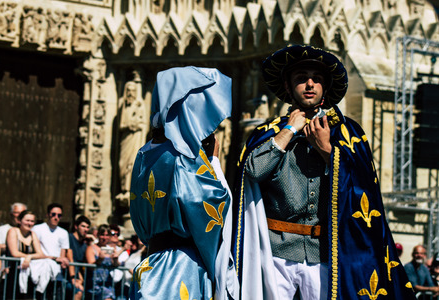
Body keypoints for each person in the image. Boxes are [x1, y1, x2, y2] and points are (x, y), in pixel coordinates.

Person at [232, 44, 416, 299]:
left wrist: (328, 150)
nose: (309, 85)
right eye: (301, 79)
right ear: (288, 87)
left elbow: (363, 187)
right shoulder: (269, 133)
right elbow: (252, 172)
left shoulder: (348, 134)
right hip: (275, 253)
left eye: (316, 79)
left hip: (324, 254)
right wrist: (289, 131)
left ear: (325, 88)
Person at [129, 66, 238, 299]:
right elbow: (211, 205)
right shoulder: (184, 156)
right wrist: (214, 163)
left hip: (152, 263)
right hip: (181, 268)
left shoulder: (143, 154)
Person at [6, 210, 60, 297]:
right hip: (14, 272)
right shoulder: (13, 231)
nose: (29, 223)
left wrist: (29, 257)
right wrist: (29, 257)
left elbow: (40, 254)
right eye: (27, 220)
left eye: (32, 221)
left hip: (29, 274)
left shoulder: (32, 234)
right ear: (20, 221)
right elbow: (14, 253)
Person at [32, 203, 70, 298]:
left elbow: (63, 253)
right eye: (53, 214)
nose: (56, 217)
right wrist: (54, 258)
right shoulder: (37, 229)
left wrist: (62, 260)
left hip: (56, 274)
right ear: (48, 214)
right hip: (39, 271)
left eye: (59, 215)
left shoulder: (63, 233)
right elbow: (35, 251)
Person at [85, 224, 119, 300]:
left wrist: (116, 259)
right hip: (95, 284)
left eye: (107, 235)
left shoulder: (111, 249)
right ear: (98, 235)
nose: (104, 237)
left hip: (108, 283)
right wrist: (99, 259)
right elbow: (91, 267)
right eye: (102, 235)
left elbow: (116, 265)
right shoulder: (91, 248)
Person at [66, 215, 91, 300]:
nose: (86, 229)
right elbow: (70, 259)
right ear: (76, 226)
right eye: (83, 226)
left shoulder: (85, 245)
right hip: (66, 275)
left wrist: (80, 280)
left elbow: (81, 266)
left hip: (77, 277)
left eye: (87, 227)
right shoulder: (69, 238)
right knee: (78, 292)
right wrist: (73, 278)